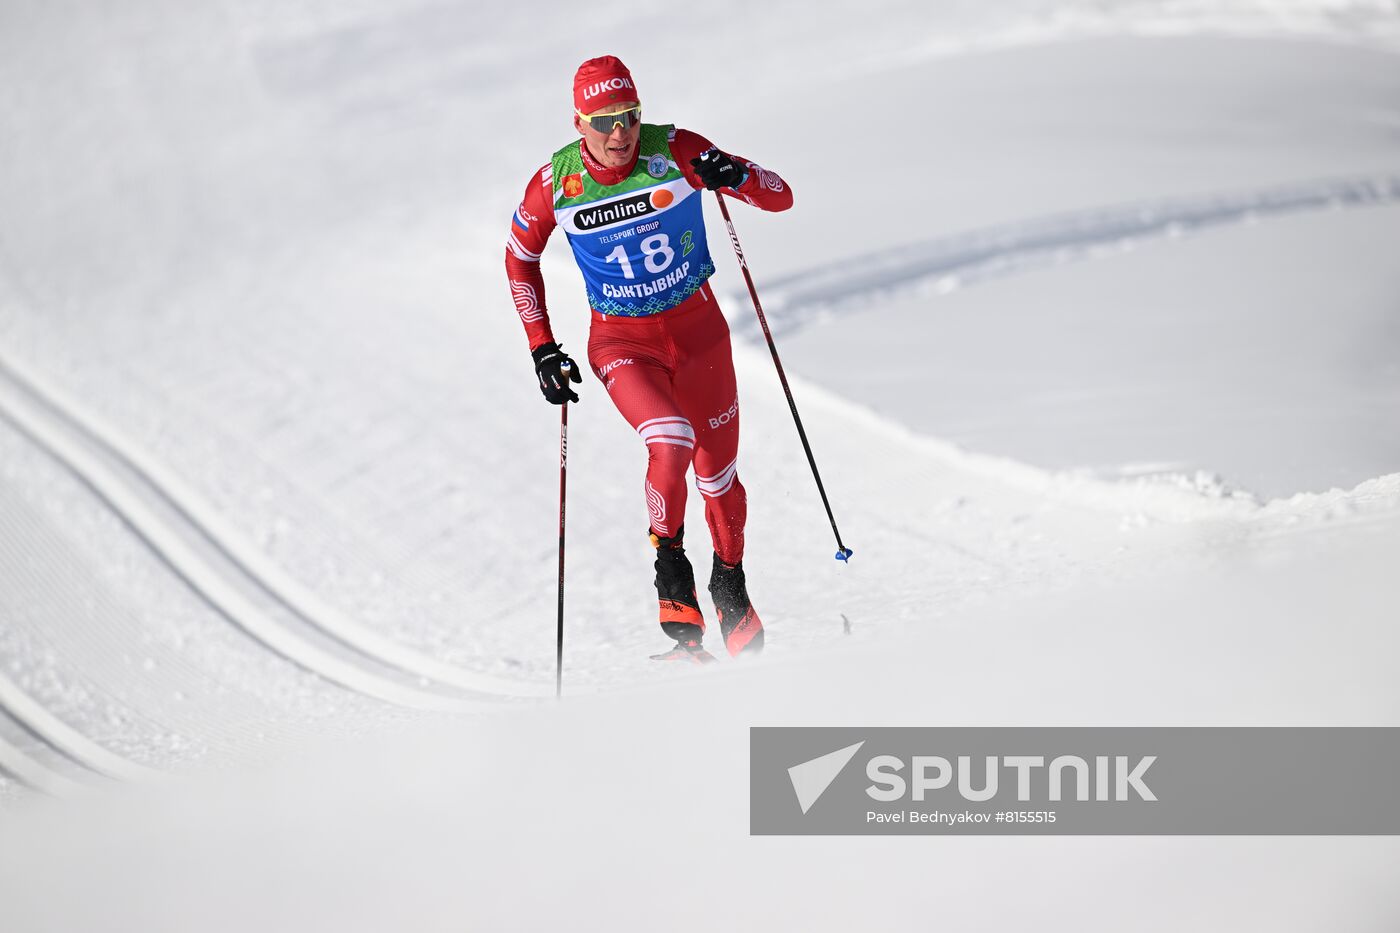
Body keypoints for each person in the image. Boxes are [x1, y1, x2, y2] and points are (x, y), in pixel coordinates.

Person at [504, 55, 793, 663]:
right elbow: (519, 257)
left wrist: (733, 173)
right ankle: (670, 571)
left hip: (700, 335)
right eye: (605, 121)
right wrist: (542, 346)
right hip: (623, 342)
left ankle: (730, 585)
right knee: (671, 439)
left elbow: (779, 197)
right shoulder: (555, 184)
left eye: (630, 116)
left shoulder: (678, 149)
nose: (620, 134)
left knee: (718, 477)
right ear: (579, 123)